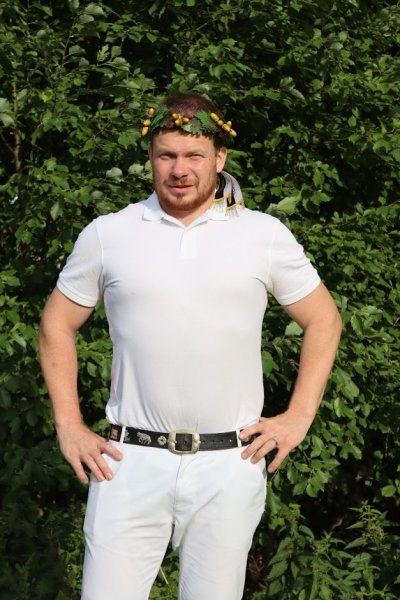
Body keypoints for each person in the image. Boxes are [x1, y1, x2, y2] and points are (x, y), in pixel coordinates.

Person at [39, 92, 342, 600]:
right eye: (167, 155)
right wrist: (68, 425)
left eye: (194, 156)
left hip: (229, 464)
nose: (180, 170)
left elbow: (324, 319)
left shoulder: (262, 234)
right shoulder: (109, 234)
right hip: (128, 461)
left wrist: (298, 416)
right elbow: (56, 324)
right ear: (151, 157)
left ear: (219, 158)